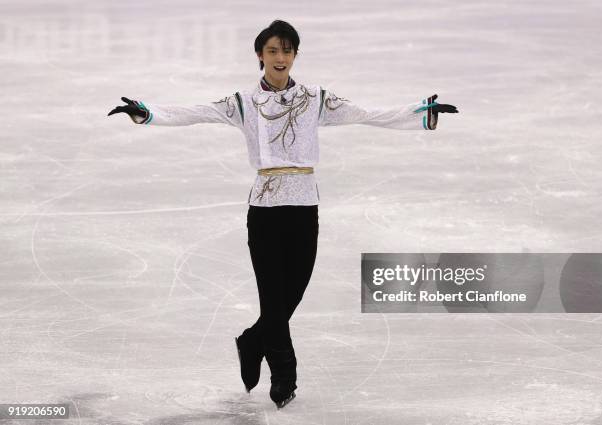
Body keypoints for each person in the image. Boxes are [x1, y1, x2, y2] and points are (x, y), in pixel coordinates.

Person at [108, 19, 458, 409]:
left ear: (294, 55)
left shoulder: (315, 98)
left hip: (305, 205)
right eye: (272, 50)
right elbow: (196, 112)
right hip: (264, 209)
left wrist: (420, 111)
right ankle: (284, 377)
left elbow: (366, 114)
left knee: (293, 291)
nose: (280, 57)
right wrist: (148, 112)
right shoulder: (243, 102)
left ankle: (252, 340)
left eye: (286, 50)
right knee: (273, 299)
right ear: (260, 55)